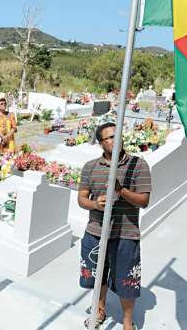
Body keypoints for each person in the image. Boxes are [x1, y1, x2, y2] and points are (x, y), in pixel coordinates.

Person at [78, 122, 152, 330]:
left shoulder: (138, 165)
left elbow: (144, 200)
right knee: (97, 276)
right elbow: (82, 199)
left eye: (117, 135)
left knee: (127, 283)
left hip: (126, 234)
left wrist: (122, 191)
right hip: (95, 232)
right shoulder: (90, 167)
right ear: (101, 143)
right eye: (109, 137)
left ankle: (127, 322)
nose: (114, 140)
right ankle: (99, 309)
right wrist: (95, 203)